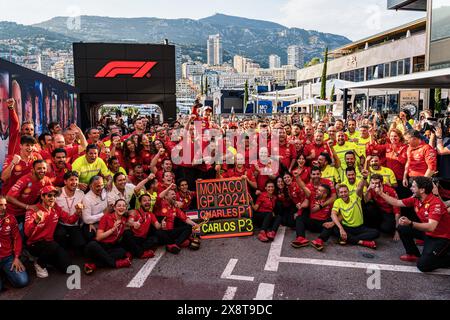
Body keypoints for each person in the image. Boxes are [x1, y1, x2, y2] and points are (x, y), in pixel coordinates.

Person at [376, 177, 450, 272]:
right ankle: (413, 254)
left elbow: (431, 227)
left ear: (422, 190)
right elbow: (396, 202)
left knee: (423, 266)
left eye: (414, 187)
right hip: (428, 233)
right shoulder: (416, 198)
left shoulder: (435, 203)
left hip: (441, 237)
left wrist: (410, 223)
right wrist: (381, 193)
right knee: (402, 227)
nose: (410, 188)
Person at [24, 186, 82, 278]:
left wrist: (77, 213)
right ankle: (39, 264)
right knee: (53, 245)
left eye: (54, 196)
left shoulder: (56, 208)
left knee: (68, 267)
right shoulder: (33, 210)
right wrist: (36, 221)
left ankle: (47, 260)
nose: (52, 198)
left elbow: (69, 220)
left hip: (49, 244)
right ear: (42, 197)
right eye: (49, 195)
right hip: (34, 244)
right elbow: (27, 233)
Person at [331, 171, 380, 249]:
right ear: (338, 194)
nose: (343, 194)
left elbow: (360, 187)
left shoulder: (355, 197)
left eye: (345, 192)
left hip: (360, 228)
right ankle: (361, 242)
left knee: (376, 233)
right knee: (335, 229)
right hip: (347, 227)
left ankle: (349, 238)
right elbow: (333, 214)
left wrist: (364, 178)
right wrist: (341, 229)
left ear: (348, 192)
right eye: (341, 192)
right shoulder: (337, 201)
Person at [83, 199, 133, 274]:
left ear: (126, 209)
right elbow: (98, 237)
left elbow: (131, 218)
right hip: (98, 247)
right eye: (119, 206)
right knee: (92, 244)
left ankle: (94, 265)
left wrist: (133, 222)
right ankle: (115, 264)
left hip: (109, 248)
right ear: (115, 208)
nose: (121, 207)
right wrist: (113, 229)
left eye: (123, 206)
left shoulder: (124, 220)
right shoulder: (106, 217)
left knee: (122, 252)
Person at [6, 160, 53, 227]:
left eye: (44, 168)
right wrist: (27, 207)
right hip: (14, 213)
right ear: (32, 170)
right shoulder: (24, 180)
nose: (42, 170)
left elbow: (52, 194)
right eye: (39, 168)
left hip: (29, 212)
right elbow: (8, 197)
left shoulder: (46, 180)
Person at [292, 184, 335, 251]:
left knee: (331, 221)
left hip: (322, 225)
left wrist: (332, 222)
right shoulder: (312, 196)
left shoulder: (329, 201)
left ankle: (320, 240)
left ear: (325, 194)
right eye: (317, 189)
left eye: (319, 190)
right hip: (312, 222)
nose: (317, 191)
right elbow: (303, 187)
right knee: (299, 217)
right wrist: (299, 207)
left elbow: (334, 213)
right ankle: (301, 238)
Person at [0, 196, 29, 291]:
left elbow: (17, 238)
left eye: (5, 205)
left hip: (7, 258)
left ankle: (6, 272)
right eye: (0, 205)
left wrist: (16, 257)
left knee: (23, 281)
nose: (4, 208)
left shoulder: (11, 218)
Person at [54, 172, 85, 253]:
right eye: (71, 180)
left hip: (74, 224)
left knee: (80, 244)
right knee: (60, 235)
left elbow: (84, 209)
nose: (74, 182)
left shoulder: (81, 193)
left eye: (76, 180)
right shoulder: (58, 193)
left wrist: (79, 211)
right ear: (65, 182)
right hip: (60, 224)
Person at [121, 194, 160, 259]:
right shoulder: (135, 212)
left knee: (155, 239)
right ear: (140, 203)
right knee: (127, 233)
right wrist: (133, 223)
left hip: (142, 240)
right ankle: (140, 253)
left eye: (149, 200)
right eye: (144, 201)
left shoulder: (151, 214)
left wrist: (162, 225)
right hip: (133, 239)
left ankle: (133, 252)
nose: (147, 202)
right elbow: (129, 221)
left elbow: (157, 226)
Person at [364, 174, 401, 240]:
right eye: (372, 183)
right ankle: (374, 228)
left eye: (377, 183)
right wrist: (368, 190)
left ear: (381, 182)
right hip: (379, 210)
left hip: (389, 212)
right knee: (368, 207)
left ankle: (384, 227)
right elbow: (366, 201)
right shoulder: (372, 189)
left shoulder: (390, 191)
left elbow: (397, 212)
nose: (374, 185)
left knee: (386, 228)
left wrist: (397, 231)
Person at [81, 176, 109, 242]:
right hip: (93, 223)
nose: (101, 188)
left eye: (102, 185)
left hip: (106, 220)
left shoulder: (105, 191)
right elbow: (86, 219)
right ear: (91, 187)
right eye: (97, 186)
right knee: (89, 234)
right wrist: (103, 214)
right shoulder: (86, 199)